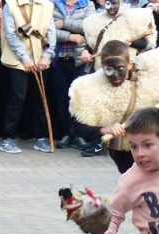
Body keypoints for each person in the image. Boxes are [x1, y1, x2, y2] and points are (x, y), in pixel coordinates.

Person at [69, 40, 159, 173]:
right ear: (102, 66)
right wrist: (105, 129)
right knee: (134, 182)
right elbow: (76, 127)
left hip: (153, 140)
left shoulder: (147, 67)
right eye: (109, 70)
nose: (115, 76)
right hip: (122, 149)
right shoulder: (90, 86)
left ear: (129, 64)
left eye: (120, 69)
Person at [0, 0, 57, 154]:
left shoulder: (47, 5)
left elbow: (51, 33)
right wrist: (24, 58)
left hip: (40, 59)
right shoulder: (10, 5)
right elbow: (10, 35)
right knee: (17, 97)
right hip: (17, 60)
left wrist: (47, 56)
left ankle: (41, 137)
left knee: (40, 98)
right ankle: (7, 138)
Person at [51, 0, 96, 150]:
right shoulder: (53, 3)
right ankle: (66, 134)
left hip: (80, 61)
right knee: (62, 99)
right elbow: (49, 29)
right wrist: (70, 36)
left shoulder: (87, 4)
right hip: (59, 59)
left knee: (79, 99)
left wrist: (63, 23)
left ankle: (79, 135)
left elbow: (88, 27)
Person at [80, 0, 157, 71]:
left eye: (114, 3)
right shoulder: (94, 20)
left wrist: (132, 43)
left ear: (121, 3)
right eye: (108, 4)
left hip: (127, 71)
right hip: (102, 70)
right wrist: (86, 51)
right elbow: (93, 42)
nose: (111, 7)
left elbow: (146, 43)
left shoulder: (133, 18)